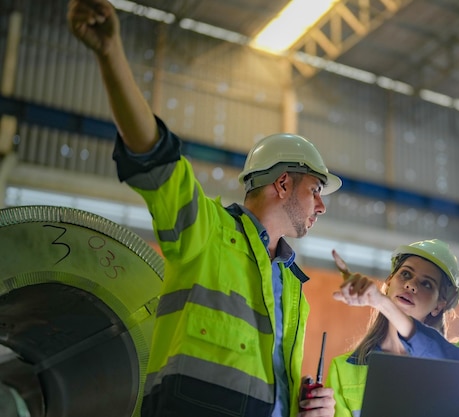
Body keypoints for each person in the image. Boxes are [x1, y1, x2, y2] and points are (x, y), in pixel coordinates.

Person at [67, 1, 339, 416]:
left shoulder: (294, 289)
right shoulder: (205, 232)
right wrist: (110, 54)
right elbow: (155, 157)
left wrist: (317, 409)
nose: (321, 205)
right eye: (315, 189)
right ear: (283, 183)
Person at [327, 239, 459, 417]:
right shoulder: (344, 369)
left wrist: (382, 303)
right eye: (406, 274)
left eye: (426, 284)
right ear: (389, 282)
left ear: (439, 306)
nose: (411, 285)